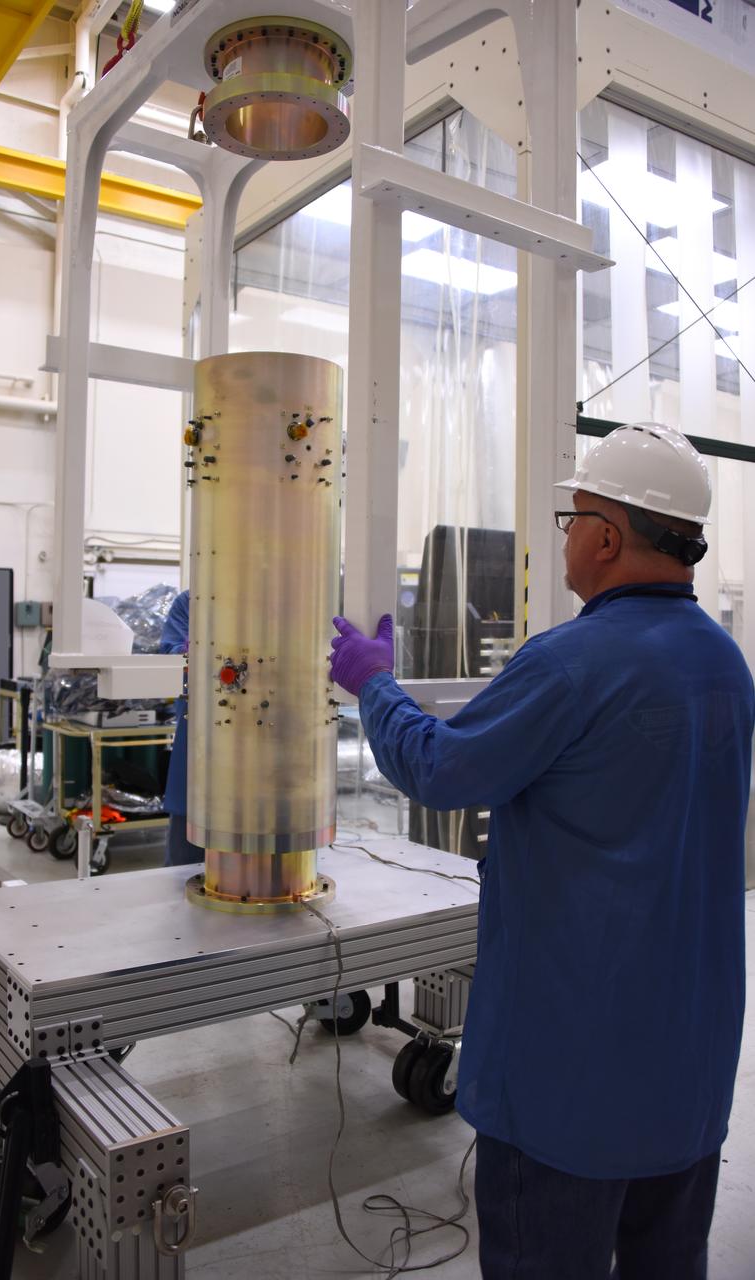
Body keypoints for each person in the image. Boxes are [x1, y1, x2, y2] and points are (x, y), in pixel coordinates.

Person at [330, 422, 754, 1280]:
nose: (566, 539)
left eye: (573, 521)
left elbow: (440, 767)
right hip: (687, 1071)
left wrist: (373, 682)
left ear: (605, 537)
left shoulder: (570, 664)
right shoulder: (724, 662)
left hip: (571, 1075)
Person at [160, 588, 204, 866]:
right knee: (185, 863)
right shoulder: (192, 601)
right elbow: (169, 653)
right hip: (200, 727)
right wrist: (187, 651)